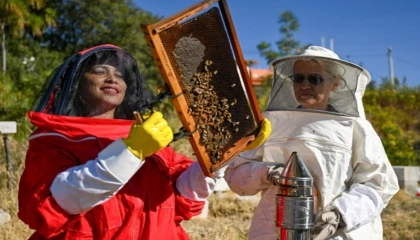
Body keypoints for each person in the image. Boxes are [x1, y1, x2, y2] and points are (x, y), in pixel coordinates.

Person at [17, 44, 269, 239]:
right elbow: (62, 200)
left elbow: (184, 195)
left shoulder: (144, 134)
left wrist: (226, 150)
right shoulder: (54, 139)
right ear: (77, 86)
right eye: (99, 71)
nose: (112, 78)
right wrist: (131, 151)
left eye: (119, 75)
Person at [224, 46, 399, 240]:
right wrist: (268, 172)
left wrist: (339, 215)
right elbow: (236, 176)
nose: (304, 85)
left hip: (336, 234)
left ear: (335, 83)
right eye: (298, 78)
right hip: (274, 230)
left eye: (314, 78)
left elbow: (378, 184)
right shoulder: (270, 123)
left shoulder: (355, 127)